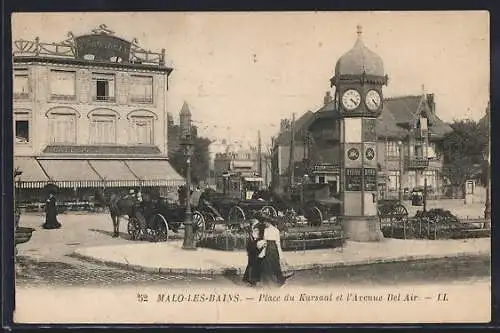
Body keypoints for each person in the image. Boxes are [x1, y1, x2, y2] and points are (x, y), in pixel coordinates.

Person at [258, 213, 294, 287]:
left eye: (265, 222)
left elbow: (278, 244)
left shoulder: (275, 230)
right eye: (263, 222)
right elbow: (265, 242)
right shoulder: (265, 230)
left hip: (274, 251)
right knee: (265, 267)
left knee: (275, 267)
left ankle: (281, 281)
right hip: (267, 249)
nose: (264, 223)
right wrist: (262, 252)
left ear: (269, 222)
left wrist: (281, 256)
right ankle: (267, 285)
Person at [243, 219, 266, 287]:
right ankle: (251, 280)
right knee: (252, 264)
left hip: (254, 248)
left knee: (253, 264)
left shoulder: (255, 230)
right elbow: (253, 240)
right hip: (253, 248)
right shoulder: (253, 231)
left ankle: (250, 279)